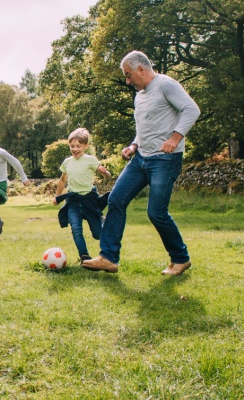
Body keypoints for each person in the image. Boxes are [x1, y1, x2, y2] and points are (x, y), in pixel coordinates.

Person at [82, 50, 200, 275]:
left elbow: (192, 110)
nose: (127, 81)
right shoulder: (140, 95)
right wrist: (134, 145)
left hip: (165, 160)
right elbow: (144, 126)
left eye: (128, 75)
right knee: (116, 199)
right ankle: (108, 257)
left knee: (156, 212)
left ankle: (180, 258)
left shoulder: (166, 84)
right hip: (141, 159)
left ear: (141, 69)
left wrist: (175, 138)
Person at [52, 128, 111, 263]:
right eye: (72, 146)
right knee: (76, 229)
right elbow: (62, 180)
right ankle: (84, 256)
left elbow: (108, 177)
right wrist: (57, 196)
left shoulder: (90, 160)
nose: (75, 149)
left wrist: (104, 172)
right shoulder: (67, 162)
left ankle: (103, 221)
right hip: (73, 201)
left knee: (98, 235)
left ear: (85, 146)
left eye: (78, 146)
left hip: (89, 200)